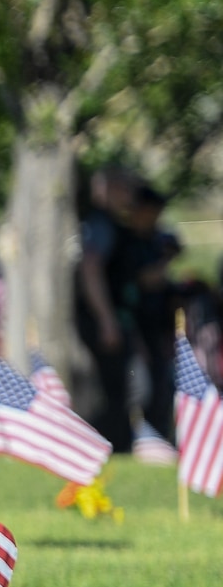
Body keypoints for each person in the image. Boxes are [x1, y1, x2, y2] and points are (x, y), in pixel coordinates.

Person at [114, 186, 182, 442]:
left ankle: (158, 440)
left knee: (161, 389)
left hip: (157, 329)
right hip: (132, 327)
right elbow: (141, 281)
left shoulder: (155, 240)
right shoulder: (124, 243)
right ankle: (139, 439)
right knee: (140, 388)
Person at [75, 164, 137, 451]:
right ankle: (109, 446)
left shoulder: (109, 223)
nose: (130, 196)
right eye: (124, 189)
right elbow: (91, 269)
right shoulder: (100, 224)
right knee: (109, 388)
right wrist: (107, 320)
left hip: (107, 319)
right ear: (106, 190)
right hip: (101, 321)